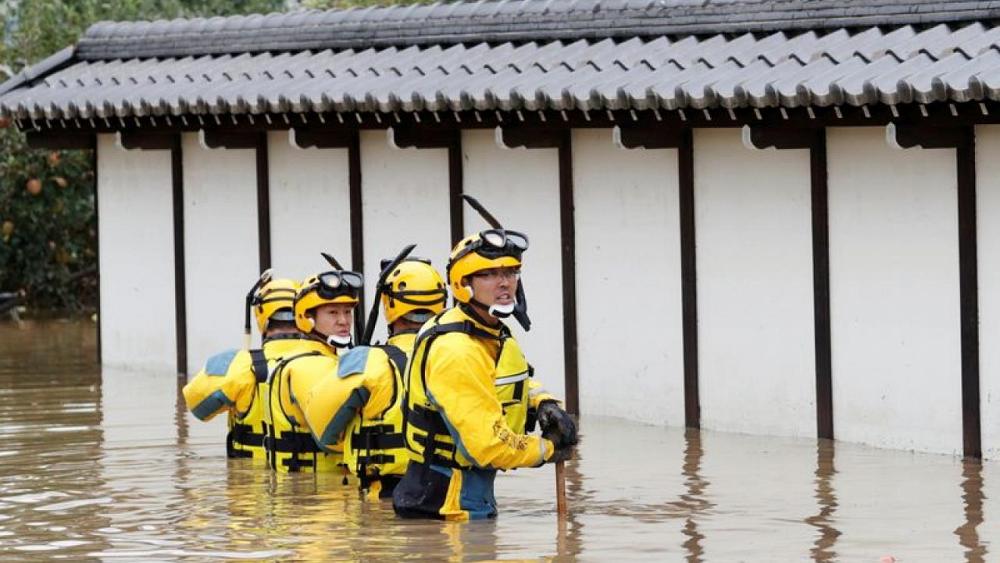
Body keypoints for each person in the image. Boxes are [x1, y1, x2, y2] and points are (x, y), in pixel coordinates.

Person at [392, 228, 578, 520]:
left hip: (462, 497)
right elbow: (487, 446)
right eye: (489, 274)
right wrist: (546, 448)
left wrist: (543, 402)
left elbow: (508, 380)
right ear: (463, 283)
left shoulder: (488, 329)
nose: (505, 283)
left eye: (511, 272)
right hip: (445, 506)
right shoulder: (457, 349)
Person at [182, 277, 328, 462]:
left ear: (261, 318)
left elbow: (197, 407)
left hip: (250, 480)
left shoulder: (241, 364)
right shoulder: (327, 360)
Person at [336, 258, 448, 498]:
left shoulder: (368, 360)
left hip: (385, 493)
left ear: (389, 304)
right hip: (450, 491)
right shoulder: (464, 352)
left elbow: (327, 431)